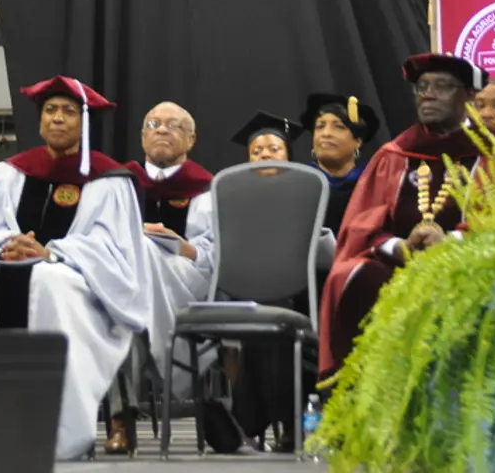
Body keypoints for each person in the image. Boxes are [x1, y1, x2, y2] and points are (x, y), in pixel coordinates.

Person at [0, 76, 149, 461]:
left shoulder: (110, 181)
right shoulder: (10, 174)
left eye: (68, 111)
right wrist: (8, 245)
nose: (58, 119)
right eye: (50, 110)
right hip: (8, 265)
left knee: (46, 281)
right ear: (40, 121)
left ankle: (56, 429)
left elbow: (116, 250)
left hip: (77, 278)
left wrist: (53, 252)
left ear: (84, 122)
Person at [317, 54, 495, 379]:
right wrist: (399, 246)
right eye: (422, 87)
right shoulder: (395, 155)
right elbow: (362, 228)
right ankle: (357, 399)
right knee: (350, 275)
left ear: (469, 97)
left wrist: (452, 241)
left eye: (443, 87)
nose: (428, 94)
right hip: (399, 266)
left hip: (472, 263)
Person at [202, 112, 312, 455]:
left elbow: (324, 248)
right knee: (254, 312)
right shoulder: (229, 198)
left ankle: (249, 420)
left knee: (273, 315)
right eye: (256, 150)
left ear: (289, 156)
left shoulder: (307, 192)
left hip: (302, 291)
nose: (264, 154)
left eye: (273, 148)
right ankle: (273, 422)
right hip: (244, 290)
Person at [108, 102, 214, 454]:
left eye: (174, 125)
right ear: (142, 136)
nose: (162, 130)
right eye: (154, 123)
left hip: (184, 280)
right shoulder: (118, 183)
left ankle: (120, 417)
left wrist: (179, 245)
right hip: (127, 278)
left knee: (130, 285)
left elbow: (213, 255)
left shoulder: (207, 189)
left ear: (191, 138)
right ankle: (120, 414)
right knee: (124, 290)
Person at [300, 93, 379, 237]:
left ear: (358, 141)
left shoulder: (373, 184)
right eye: (320, 126)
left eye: (339, 127)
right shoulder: (300, 184)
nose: (326, 133)